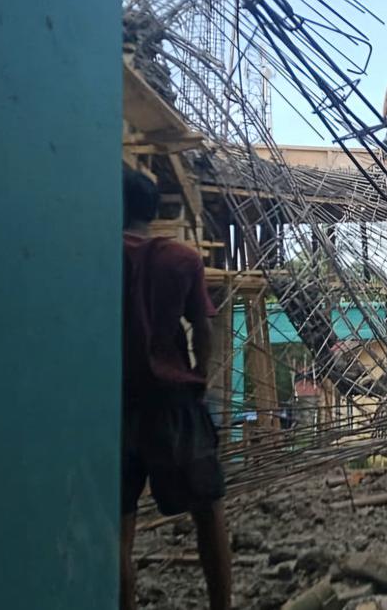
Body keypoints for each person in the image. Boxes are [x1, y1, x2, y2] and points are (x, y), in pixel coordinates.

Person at [122, 168, 231, 610]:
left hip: (115, 403)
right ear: (154, 211)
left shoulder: (98, 258)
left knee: (119, 529)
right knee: (208, 510)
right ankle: (221, 604)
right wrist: (200, 377)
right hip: (173, 401)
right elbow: (202, 330)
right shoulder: (182, 259)